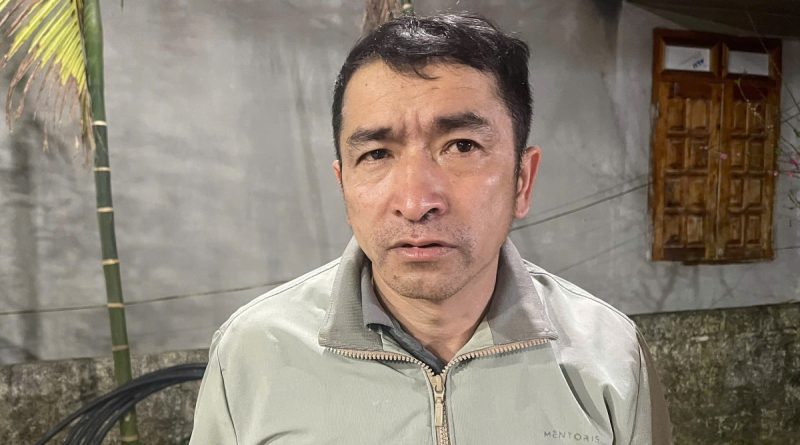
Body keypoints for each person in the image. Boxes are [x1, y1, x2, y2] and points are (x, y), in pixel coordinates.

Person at [190, 13, 671, 444]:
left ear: (522, 181)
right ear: (344, 186)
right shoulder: (254, 353)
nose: (416, 203)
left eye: (461, 146)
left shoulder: (609, 356)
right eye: (376, 154)